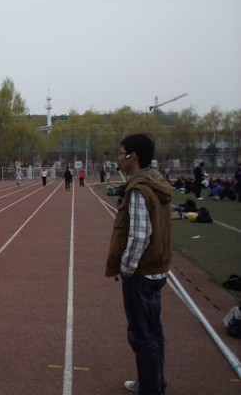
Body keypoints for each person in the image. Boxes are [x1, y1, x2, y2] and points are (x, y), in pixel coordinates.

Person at [105, 134, 172, 395]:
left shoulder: (139, 190)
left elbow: (139, 236)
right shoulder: (156, 183)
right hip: (157, 269)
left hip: (142, 274)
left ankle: (151, 389)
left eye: (121, 153)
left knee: (143, 336)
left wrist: (126, 268)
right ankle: (154, 383)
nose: (119, 158)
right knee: (154, 331)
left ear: (132, 156)